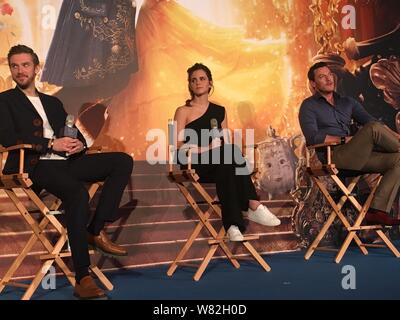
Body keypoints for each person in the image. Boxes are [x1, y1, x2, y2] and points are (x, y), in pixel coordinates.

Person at [0, 45, 134, 299]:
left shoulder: (52, 102)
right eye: (15, 66)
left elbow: (67, 131)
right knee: (77, 194)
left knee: (122, 161)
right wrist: (50, 144)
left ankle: (94, 230)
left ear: (36, 68)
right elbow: (7, 137)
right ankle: (83, 277)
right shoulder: (4, 101)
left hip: (67, 160)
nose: (20, 71)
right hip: (35, 164)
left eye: (25, 65)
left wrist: (78, 144)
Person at [173, 63, 280, 242]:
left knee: (227, 163)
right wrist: (207, 149)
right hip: (193, 162)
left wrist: (228, 153)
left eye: (202, 79)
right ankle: (252, 204)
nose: (198, 83)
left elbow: (226, 142)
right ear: (190, 85)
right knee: (228, 155)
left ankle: (232, 225)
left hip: (220, 162)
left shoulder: (219, 110)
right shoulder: (183, 111)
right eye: (193, 80)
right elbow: (177, 147)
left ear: (210, 83)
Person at [299, 61, 400, 226]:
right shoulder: (309, 106)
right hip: (335, 157)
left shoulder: (347, 102)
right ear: (313, 83)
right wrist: (345, 140)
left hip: (358, 156)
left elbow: (372, 121)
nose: (328, 79)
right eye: (322, 77)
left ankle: (377, 212)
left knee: (398, 159)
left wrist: (397, 136)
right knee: (372, 128)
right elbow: (313, 137)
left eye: (330, 75)